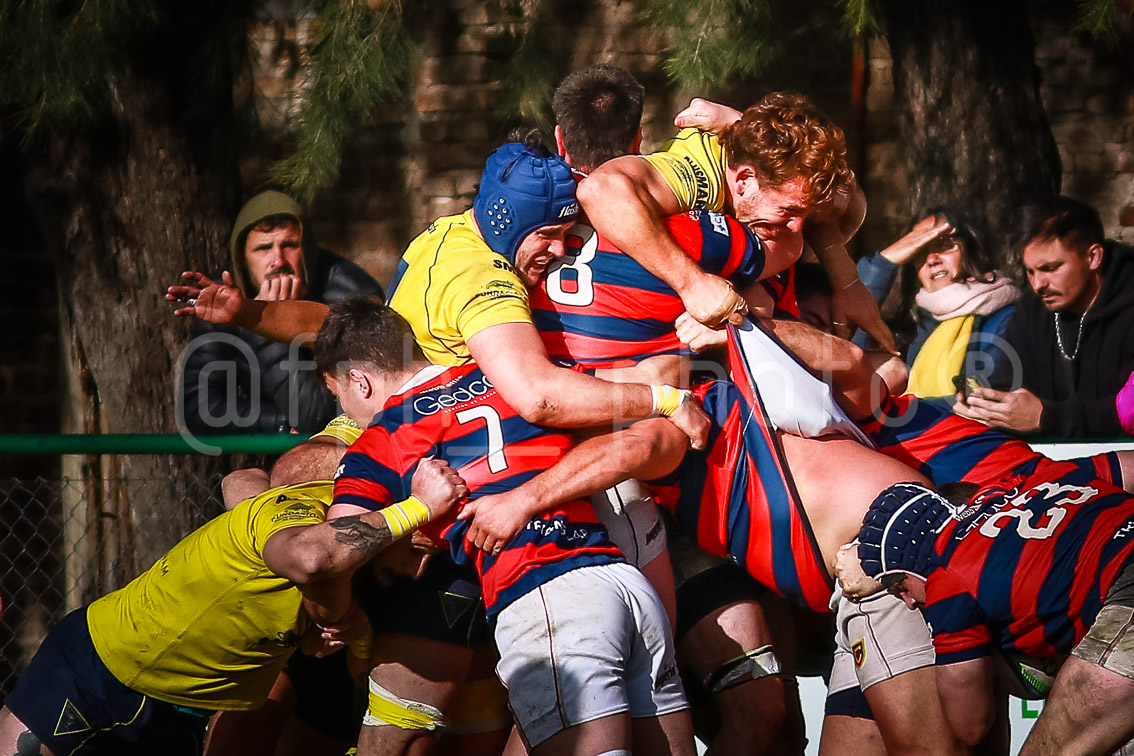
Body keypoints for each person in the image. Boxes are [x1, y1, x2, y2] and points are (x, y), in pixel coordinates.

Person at [314, 298, 697, 756]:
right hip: (625, 585)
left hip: (546, 599)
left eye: (340, 397)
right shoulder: (515, 374)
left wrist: (332, 614)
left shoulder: (383, 437)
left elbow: (333, 553)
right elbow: (648, 385)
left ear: (359, 380)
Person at [0, 419, 466, 755]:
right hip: (99, 668)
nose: (420, 570)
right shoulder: (308, 515)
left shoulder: (348, 553)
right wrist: (419, 507)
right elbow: (309, 557)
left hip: (183, 708)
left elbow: (243, 483)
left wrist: (328, 621)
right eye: (420, 549)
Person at [578, 92, 893, 351]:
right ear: (743, 180)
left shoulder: (770, 192)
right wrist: (693, 285)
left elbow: (848, 207)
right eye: (789, 211)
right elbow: (598, 189)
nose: (798, 226)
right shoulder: (698, 176)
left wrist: (848, 283)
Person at [848, 471, 1134, 755]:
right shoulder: (1016, 483)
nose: (908, 601)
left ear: (913, 564)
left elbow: (970, 727)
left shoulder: (946, 577)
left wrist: (985, 658)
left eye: (900, 586)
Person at [179, 190, 382, 435]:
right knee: (239, 477)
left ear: (307, 250)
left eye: (289, 245)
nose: (278, 260)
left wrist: (264, 320)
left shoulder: (351, 294)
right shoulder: (220, 300)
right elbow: (199, 409)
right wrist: (280, 422)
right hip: (275, 447)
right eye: (263, 248)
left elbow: (317, 415)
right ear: (242, 260)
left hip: (347, 447)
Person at [955, 196, 1134, 438]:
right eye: (1030, 271)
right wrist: (987, 409)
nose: (1038, 284)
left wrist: (1047, 417)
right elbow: (1009, 385)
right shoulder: (1032, 310)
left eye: (1050, 268)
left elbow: (1127, 414)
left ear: (1093, 258)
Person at [854, 208, 1020, 405]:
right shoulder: (910, 326)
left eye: (944, 246)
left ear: (973, 250)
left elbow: (980, 399)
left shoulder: (1008, 319)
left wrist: (897, 408)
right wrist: (884, 263)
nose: (932, 259)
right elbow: (849, 362)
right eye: (920, 252)